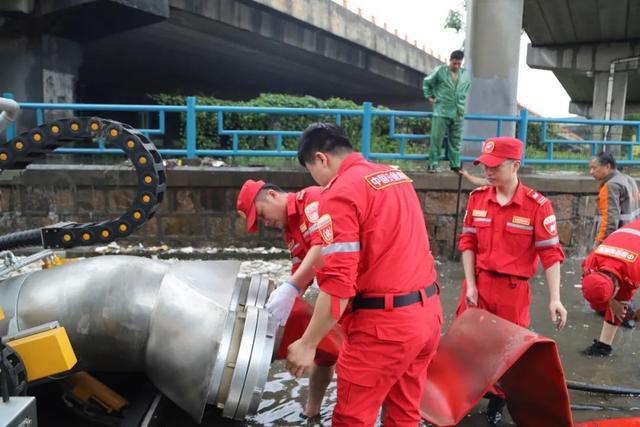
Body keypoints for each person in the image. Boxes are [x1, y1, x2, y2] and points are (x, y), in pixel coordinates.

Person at [286, 123, 442, 426]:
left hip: (384, 330)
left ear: (321, 158)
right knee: (404, 414)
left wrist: (308, 342)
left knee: (352, 417)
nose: (316, 181)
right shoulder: (394, 175)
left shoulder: (339, 194)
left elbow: (339, 283)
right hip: (426, 317)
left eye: (311, 171)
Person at [456, 136, 568, 425]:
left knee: (507, 353)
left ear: (515, 165)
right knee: (466, 345)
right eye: (484, 165)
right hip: (478, 284)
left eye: (495, 166)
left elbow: (550, 254)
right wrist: (470, 283)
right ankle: (458, 398)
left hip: (512, 290)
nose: (488, 171)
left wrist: (555, 298)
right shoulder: (477, 198)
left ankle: (497, 402)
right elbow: (467, 242)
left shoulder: (537, 206)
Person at [236, 180, 334, 419]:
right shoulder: (290, 231)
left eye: (261, 215)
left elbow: (324, 247)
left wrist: (290, 288)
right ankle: (312, 412)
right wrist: (288, 294)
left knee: (360, 357)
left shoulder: (311, 200)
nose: (266, 222)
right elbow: (302, 269)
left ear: (271, 194)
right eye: (260, 222)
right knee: (326, 352)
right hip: (337, 288)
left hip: (357, 286)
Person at [581, 218, 640, 356]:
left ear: (616, 289)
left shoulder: (635, 270)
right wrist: (612, 302)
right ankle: (603, 347)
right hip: (630, 245)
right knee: (620, 302)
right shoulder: (591, 262)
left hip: (633, 255)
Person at [422, 50, 471, 173]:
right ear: (450, 61)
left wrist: (461, 100)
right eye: (454, 63)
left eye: (459, 64)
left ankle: (455, 164)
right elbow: (427, 82)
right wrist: (430, 96)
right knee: (437, 139)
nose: (456, 66)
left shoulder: (465, 74)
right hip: (441, 110)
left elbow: (466, 88)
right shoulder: (440, 71)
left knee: (456, 140)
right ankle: (432, 163)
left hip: (458, 112)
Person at [590, 151, 640, 246]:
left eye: (594, 168)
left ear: (607, 167)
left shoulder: (611, 185)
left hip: (618, 241)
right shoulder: (628, 179)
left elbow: (610, 221)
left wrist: (599, 244)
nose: (591, 172)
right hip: (633, 237)